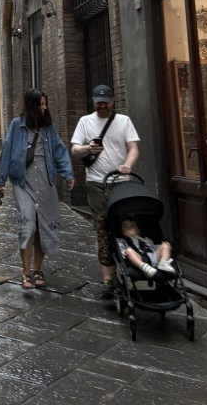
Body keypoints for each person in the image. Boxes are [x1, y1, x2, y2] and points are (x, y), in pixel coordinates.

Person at [0, 89, 75, 289]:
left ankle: (38, 269)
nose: (45, 107)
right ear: (32, 106)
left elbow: (59, 150)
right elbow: (6, 151)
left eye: (45, 104)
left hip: (46, 180)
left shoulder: (49, 128)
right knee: (28, 221)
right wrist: (1, 179)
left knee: (43, 226)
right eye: (41, 104)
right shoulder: (17, 125)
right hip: (23, 181)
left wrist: (67, 173)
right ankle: (25, 272)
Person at [71, 84, 140, 299]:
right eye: (99, 102)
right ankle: (108, 279)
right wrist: (87, 149)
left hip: (122, 182)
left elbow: (133, 148)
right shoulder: (85, 121)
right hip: (96, 182)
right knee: (102, 227)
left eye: (106, 102)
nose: (102, 105)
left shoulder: (124, 121)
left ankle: (134, 269)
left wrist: (128, 164)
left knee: (127, 226)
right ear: (94, 102)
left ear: (112, 102)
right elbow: (74, 149)